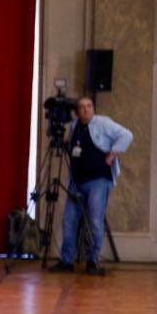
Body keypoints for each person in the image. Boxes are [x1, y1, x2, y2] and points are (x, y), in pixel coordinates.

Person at [49, 96, 133, 275]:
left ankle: (92, 261)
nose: (86, 109)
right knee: (69, 221)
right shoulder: (74, 126)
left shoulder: (103, 123)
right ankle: (66, 261)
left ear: (93, 109)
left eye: (89, 106)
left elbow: (127, 135)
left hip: (97, 181)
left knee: (95, 221)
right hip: (76, 182)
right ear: (77, 112)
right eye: (82, 107)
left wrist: (112, 154)